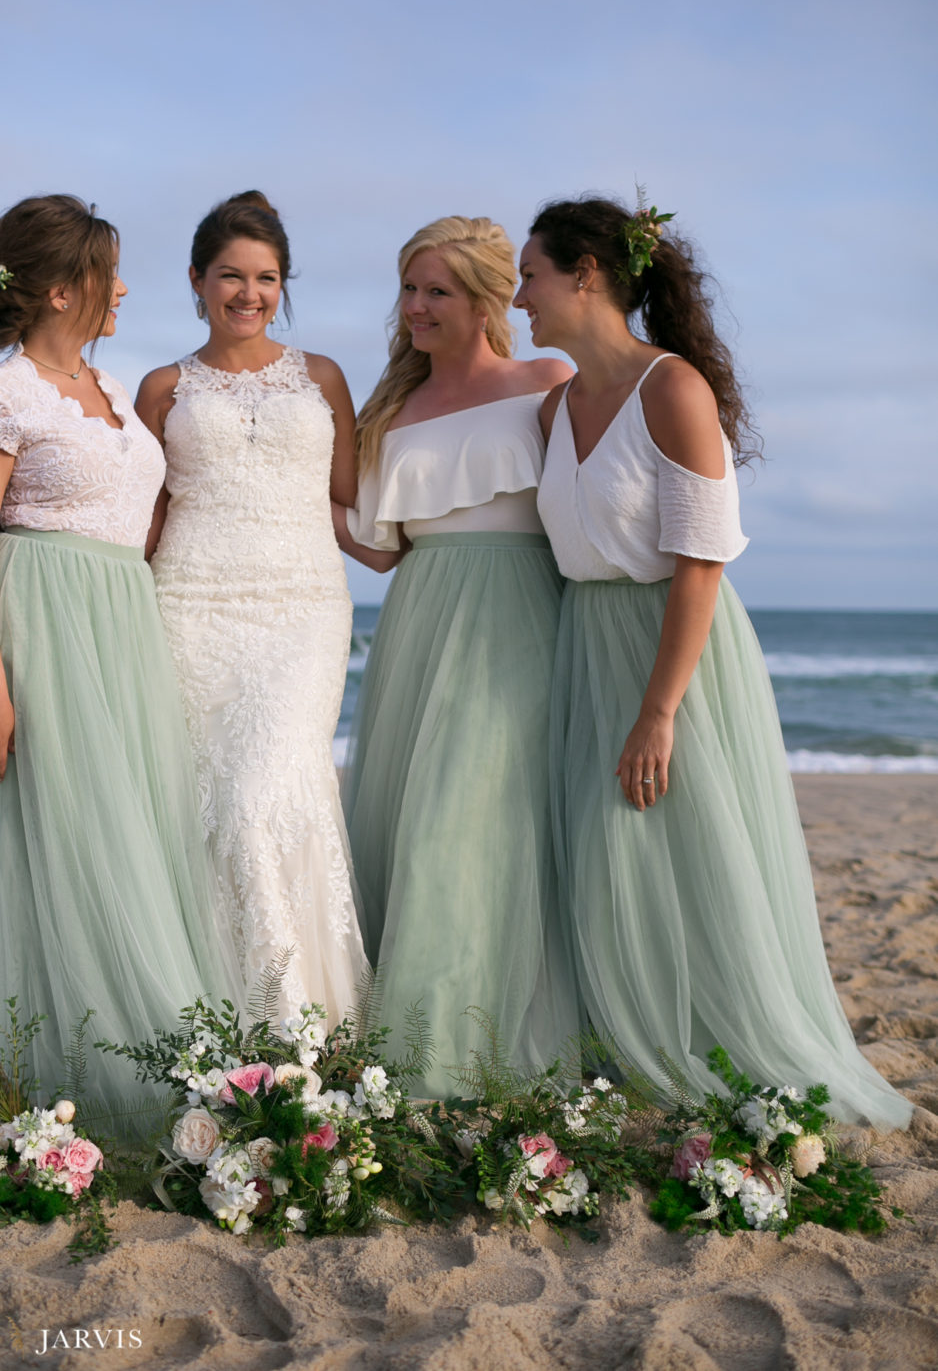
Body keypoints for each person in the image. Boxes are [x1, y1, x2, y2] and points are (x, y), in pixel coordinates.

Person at [521, 194, 912, 1129]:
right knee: (605, 853)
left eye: (531, 276)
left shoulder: (673, 389)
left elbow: (701, 563)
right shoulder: (553, 407)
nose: (519, 297)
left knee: (685, 846)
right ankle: (632, 1035)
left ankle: (706, 1039)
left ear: (585, 275)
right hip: (586, 642)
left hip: (672, 649)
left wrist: (660, 710)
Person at [0, 194, 242, 1126]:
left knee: (128, 833)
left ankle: (145, 1044)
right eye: (111, 273)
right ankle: (81, 1063)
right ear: (65, 290)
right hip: (41, 632)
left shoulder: (110, 389)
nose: (125, 290)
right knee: (69, 841)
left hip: (121, 631)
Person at [338, 216, 580, 1096]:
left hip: (521, 619)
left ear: (487, 301)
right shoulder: (390, 411)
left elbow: (590, 506)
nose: (415, 307)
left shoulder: (547, 382)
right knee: (422, 821)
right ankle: (418, 1044)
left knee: (478, 820)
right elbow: (378, 547)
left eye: (437, 290)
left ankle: (459, 1046)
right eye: (409, 288)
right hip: (422, 620)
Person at [135, 191, 367, 1020]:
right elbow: (143, 513)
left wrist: (432, 547)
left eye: (266, 278)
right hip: (190, 607)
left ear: (283, 285)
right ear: (196, 279)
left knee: (265, 790)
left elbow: (350, 498)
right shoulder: (163, 386)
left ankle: (297, 1016)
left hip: (304, 609)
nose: (249, 293)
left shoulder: (323, 377)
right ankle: (219, 1017)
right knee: (210, 803)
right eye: (230, 275)